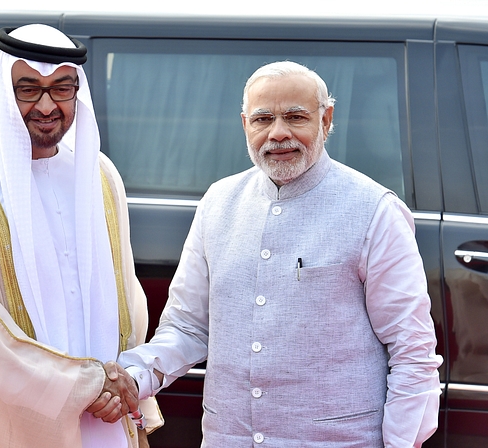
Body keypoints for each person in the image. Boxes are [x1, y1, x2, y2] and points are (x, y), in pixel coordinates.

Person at [119, 61, 443, 447]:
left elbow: (412, 352)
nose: (278, 133)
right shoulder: (218, 204)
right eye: (263, 119)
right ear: (245, 125)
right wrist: (132, 376)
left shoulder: (373, 210)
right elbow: (188, 328)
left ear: (326, 120)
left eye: (295, 117)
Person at [0, 24, 161, 447]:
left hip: (104, 418)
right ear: (4, 93)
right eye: (29, 89)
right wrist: (83, 385)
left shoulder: (100, 175)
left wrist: (123, 381)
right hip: (14, 424)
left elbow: (126, 298)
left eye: (61, 88)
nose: (47, 105)